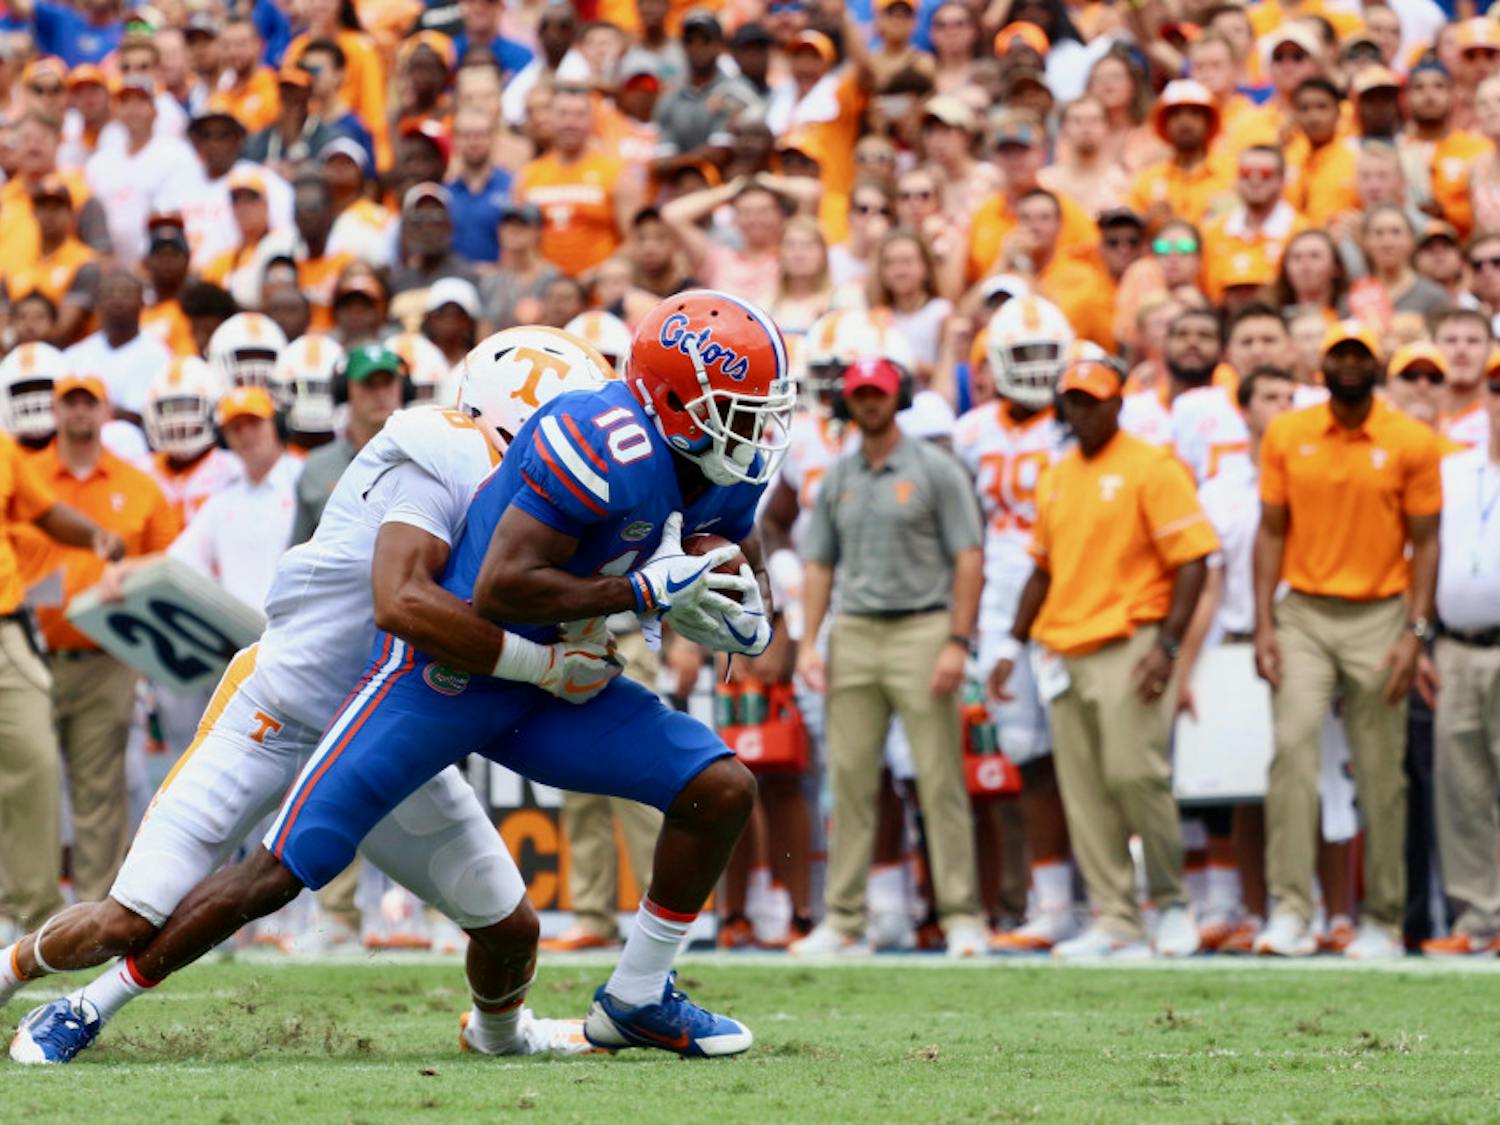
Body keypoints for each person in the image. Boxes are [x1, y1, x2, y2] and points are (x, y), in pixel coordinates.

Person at [63, 292, 792, 1060]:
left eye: (759, 410)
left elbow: (729, 541)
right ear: (671, 401)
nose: (756, 429)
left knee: (719, 786)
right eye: (738, 408)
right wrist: (640, 594)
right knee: (284, 866)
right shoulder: (570, 443)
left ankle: (637, 996)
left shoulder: (721, 463)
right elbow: (497, 592)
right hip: (444, 676)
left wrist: (750, 608)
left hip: (549, 688)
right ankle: (92, 999)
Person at [3, 328, 615, 1064]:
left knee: (510, 926)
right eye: (566, 428)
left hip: (382, 731)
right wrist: (546, 664)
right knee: (125, 920)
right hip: (274, 714)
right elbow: (406, 603)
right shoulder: (438, 452)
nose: (580, 451)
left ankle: (499, 1034)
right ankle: (15, 967)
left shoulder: (526, 501)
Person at [989, 347, 1217, 959]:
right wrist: (1013, 642)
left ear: (1117, 403)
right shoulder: (1059, 475)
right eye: (1073, 401)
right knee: (1084, 789)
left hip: (1130, 638)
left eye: (1093, 400)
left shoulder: (1152, 467)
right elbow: (1040, 569)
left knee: (1135, 774)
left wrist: (1167, 646)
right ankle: (1115, 915)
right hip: (1062, 645)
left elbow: (1193, 560)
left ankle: (1170, 902)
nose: (1082, 411)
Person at [1252, 320, 1443, 959]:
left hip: (1382, 613)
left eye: (1361, 354)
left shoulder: (1411, 440)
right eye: (1340, 354)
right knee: (1290, 751)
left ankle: (1383, 919)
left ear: (1378, 364)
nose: (1351, 364)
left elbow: (1426, 542)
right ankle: (1290, 910)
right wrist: (1263, 621)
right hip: (1304, 610)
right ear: (1323, 365)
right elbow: (1271, 531)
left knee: (1383, 771)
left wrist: (1416, 631)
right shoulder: (1287, 433)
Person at [792, 356, 988, 958]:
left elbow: (969, 557)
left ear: (895, 398)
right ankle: (843, 918)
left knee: (940, 779)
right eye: (860, 394)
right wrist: (808, 642)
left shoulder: (935, 468)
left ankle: (960, 915)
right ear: (847, 402)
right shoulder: (839, 477)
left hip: (923, 628)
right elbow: (819, 563)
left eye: (878, 393)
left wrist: (958, 639)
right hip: (854, 631)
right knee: (849, 780)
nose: (870, 403)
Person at [8, 374, 177, 907]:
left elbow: (171, 561)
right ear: (55, 413)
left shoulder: (141, 485)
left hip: (107, 654)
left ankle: (92, 914)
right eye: (70, 404)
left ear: (106, 412)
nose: (79, 413)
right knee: (26, 775)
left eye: (89, 403)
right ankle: (25, 908)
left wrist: (131, 574)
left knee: (100, 792)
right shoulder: (25, 473)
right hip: (30, 648)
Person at [953, 296, 1076, 953]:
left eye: (1044, 354)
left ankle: (1114, 898)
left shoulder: (1081, 416)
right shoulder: (972, 431)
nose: (1035, 369)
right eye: (1021, 355)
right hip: (1002, 603)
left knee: (1087, 757)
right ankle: (1051, 902)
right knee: (1025, 755)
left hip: (1075, 592)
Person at [0, 413, 123, 935]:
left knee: (34, 759)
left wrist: (93, 534)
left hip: (4, 624)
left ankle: (30, 918)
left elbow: (43, 512)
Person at [1421, 375, 1500, 956]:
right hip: (1455, 645)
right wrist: (1420, 638)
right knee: (1461, 786)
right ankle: (1478, 920)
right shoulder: (1450, 470)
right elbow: (1421, 553)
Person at [513, 85, 641, 278]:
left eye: (579, 115)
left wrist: (594, 276)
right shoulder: (528, 175)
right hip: (545, 294)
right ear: (551, 119)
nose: (570, 123)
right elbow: (515, 239)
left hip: (600, 294)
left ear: (592, 121)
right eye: (563, 114)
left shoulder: (617, 173)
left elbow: (636, 240)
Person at [290, 344, 406, 544]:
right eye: (369, 384)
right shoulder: (317, 467)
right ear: (345, 391)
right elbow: (298, 551)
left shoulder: (422, 458)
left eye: (387, 383)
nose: (380, 393)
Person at [62, 270, 174, 427]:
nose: (117, 299)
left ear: (142, 302)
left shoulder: (159, 355)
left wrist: (100, 411)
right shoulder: (75, 355)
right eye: (110, 293)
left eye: (127, 293)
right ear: (98, 302)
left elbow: (146, 416)